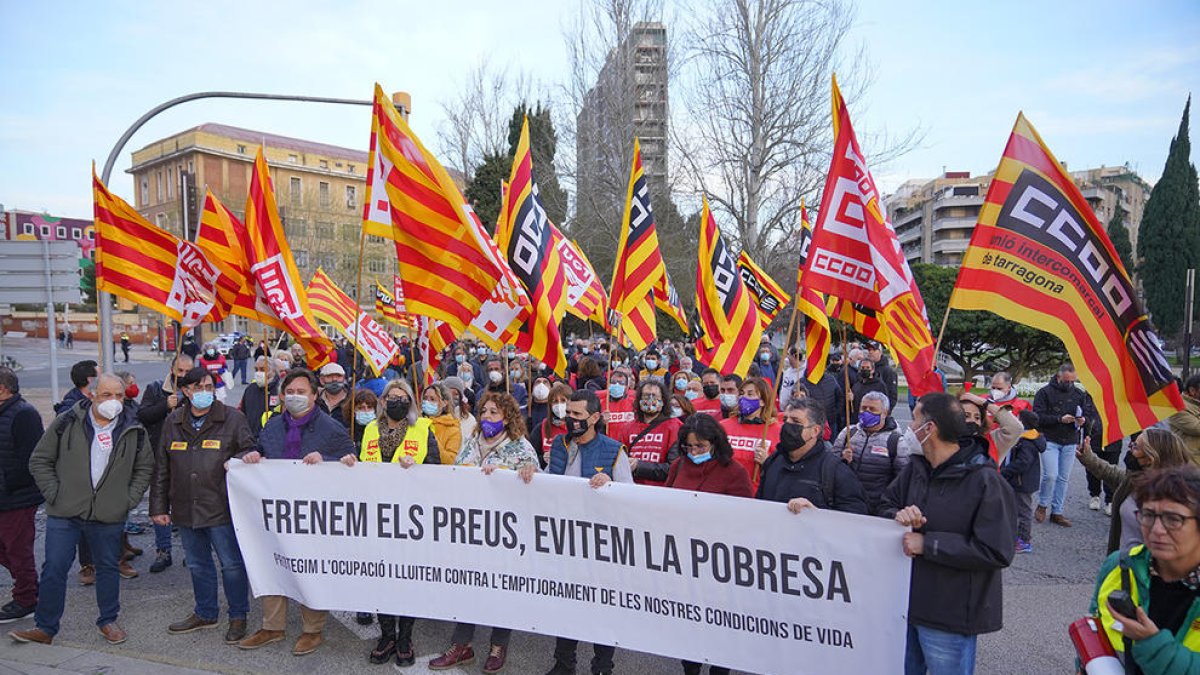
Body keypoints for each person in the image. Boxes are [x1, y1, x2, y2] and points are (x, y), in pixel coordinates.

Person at [12, 373, 153, 646]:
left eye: (119, 395)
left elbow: (144, 467)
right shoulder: (67, 421)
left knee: (108, 567)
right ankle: (46, 627)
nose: (114, 401)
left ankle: (108, 620)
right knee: (54, 567)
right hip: (65, 512)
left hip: (108, 513)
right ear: (92, 394)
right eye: (107, 395)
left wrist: (127, 500)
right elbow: (40, 460)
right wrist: (55, 495)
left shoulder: (134, 428)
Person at [880, 392, 1017, 675]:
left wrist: (928, 544)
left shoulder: (985, 481)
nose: (909, 427)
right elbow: (884, 505)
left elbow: (996, 550)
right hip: (905, 606)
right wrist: (898, 516)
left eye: (915, 419)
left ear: (929, 428)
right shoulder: (916, 469)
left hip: (950, 616)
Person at [235, 369, 356, 656]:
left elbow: (352, 461)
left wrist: (326, 460)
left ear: (315, 395)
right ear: (281, 395)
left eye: (302, 392)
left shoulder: (331, 428)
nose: (295, 397)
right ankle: (272, 626)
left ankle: (312, 630)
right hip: (277, 513)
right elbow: (260, 450)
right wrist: (252, 456)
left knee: (309, 568)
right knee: (272, 564)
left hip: (313, 515)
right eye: (290, 392)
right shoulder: (272, 426)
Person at [430, 392, 539, 674]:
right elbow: (456, 474)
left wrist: (528, 473)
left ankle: (498, 645)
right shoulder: (471, 442)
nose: (487, 416)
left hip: (504, 534)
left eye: (494, 412)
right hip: (471, 530)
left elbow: (535, 483)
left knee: (502, 588)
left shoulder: (520, 448)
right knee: (469, 586)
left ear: (508, 418)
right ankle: (462, 645)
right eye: (485, 411)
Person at [150, 368, 254, 644]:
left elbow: (249, 448)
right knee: (197, 564)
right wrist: (158, 507)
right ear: (186, 391)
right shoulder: (173, 420)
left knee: (231, 565)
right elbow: (162, 467)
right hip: (185, 506)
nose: (205, 392)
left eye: (209, 387)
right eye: (198, 388)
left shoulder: (232, 418)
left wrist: (243, 458)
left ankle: (238, 615)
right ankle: (206, 612)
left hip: (221, 506)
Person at [541, 389, 631, 675]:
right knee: (567, 604)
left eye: (577, 414)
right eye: (568, 413)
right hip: (565, 539)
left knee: (601, 608)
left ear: (594, 418)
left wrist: (610, 485)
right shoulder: (559, 444)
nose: (570, 418)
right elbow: (548, 482)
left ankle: (602, 666)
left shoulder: (614, 451)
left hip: (600, 544)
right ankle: (564, 663)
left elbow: (629, 497)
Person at [357, 381, 440, 667]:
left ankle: (405, 637)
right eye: (392, 397)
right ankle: (387, 635)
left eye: (403, 398)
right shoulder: (370, 429)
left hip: (410, 517)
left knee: (407, 579)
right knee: (381, 576)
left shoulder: (423, 429)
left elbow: (437, 472)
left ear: (411, 403)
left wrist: (416, 470)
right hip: (377, 515)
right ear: (383, 401)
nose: (397, 402)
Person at [1088, 465, 1200, 674]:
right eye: (1148, 515)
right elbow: (1095, 629)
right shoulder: (1120, 565)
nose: (1157, 530)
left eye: (1173, 519)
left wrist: (1151, 643)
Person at [1079, 428, 1191, 555]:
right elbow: (1114, 475)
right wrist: (1088, 457)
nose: (1129, 448)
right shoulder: (1136, 478)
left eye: (1135, 446)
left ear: (1151, 458)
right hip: (1122, 561)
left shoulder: (1170, 499)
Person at [137, 353, 197, 573]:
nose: (183, 375)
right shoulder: (155, 389)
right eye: (180, 371)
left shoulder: (198, 390)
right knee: (159, 503)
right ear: (172, 369)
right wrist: (165, 405)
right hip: (160, 454)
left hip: (188, 457)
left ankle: (192, 551)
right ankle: (163, 551)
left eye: (188, 371)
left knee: (189, 502)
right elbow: (143, 415)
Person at [756, 399, 867, 514]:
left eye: (796, 421)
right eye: (785, 420)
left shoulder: (834, 470)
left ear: (815, 431)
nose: (787, 425)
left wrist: (816, 513)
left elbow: (855, 515)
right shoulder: (773, 461)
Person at [0, 368, 44, 623]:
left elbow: (31, 459)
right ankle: (29, 586)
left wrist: (8, 484)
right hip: (5, 496)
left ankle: (27, 599)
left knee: (18, 550)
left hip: (17, 498)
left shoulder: (24, 414)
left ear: (3, 389)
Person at [831, 392, 915, 515]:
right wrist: (842, 459)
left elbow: (902, 479)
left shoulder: (896, 441)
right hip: (847, 503)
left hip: (878, 507)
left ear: (884, 413)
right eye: (863, 408)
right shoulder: (848, 433)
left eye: (872, 409)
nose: (866, 412)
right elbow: (831, 465)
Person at [1032, 363, 1088, 527]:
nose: (1069, 384)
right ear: (1058, 377)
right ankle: (1043, 504)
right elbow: (1037, 417)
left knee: (1063, 478)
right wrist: (1058, 419)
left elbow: (1086, 415)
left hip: (1070, 439)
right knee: (1050, 475)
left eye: (1072, 381)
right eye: (1066, 381)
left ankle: (1057, 511)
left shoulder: (1079, 394)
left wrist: (1082, 421)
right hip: (1049, 438)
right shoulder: (1044, 393)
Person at [719, 377, 781, 491]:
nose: (743, 398)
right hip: (724, 490)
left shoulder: (777, 431)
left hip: (756, 493)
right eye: (742, 393)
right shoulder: (723, 426)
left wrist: (768, 462)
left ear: (763, 401)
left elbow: (783, 470)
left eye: (750, 394)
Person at [625, 378, 684, 486]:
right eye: (646, 396)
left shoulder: (675, 427)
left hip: (660, 491)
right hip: (632, 489)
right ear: (639, 400)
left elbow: (675, 468)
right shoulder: (628, 428)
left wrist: (640, 466)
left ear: (663, 402)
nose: (650, 399)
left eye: (655, 396)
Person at [1000, 410, 1043, 554]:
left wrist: (1005, 471)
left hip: (1022, 482)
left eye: (1017, 418)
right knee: (1017, 508)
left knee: (1023, 510)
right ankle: (1017, 537)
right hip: (1020, 480)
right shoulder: (1027, 437)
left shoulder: (1027, 441)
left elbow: (1023, 462)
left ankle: (1024, 540)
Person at [958, 391, 1024, 466]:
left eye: (977, 417)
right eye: (966, 416)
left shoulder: (992, 441)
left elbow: (1016, 428)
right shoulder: (947, 442)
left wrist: (985, 403)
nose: (973, 420)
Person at [530, 383, 572, 467]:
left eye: (563, 400)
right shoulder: (540, 428)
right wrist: (543, 459)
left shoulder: (578, 426)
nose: (559, 405)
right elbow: (531, 457)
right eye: (555, 401)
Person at [421, 383, 462, 464]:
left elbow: (449, 460)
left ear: (444, 403)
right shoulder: (416, 422)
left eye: (432, 399)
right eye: (425, 398)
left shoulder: (453, 430)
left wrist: (431, 438)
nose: (427, 402)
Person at [1167, 373, 1200, 466]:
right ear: (1192, 390)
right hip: (1190, 464)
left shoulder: (1196, 405)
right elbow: (1197, 428)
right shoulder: (1179, 407)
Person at [604, 369, 636, 444]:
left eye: (621, 383)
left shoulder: (634, 403)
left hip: (628, 444)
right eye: (613, 382)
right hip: (608, 444)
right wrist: (600, 422)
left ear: (627, 387)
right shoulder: (601, 403)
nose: (617, 385)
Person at [865, 342, 898, 411]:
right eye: (869, 350)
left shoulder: (888, 371)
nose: (870, 352)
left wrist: (885, 412)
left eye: (873, 350)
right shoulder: (865, 369)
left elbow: (892, 395)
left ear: (880, 352)